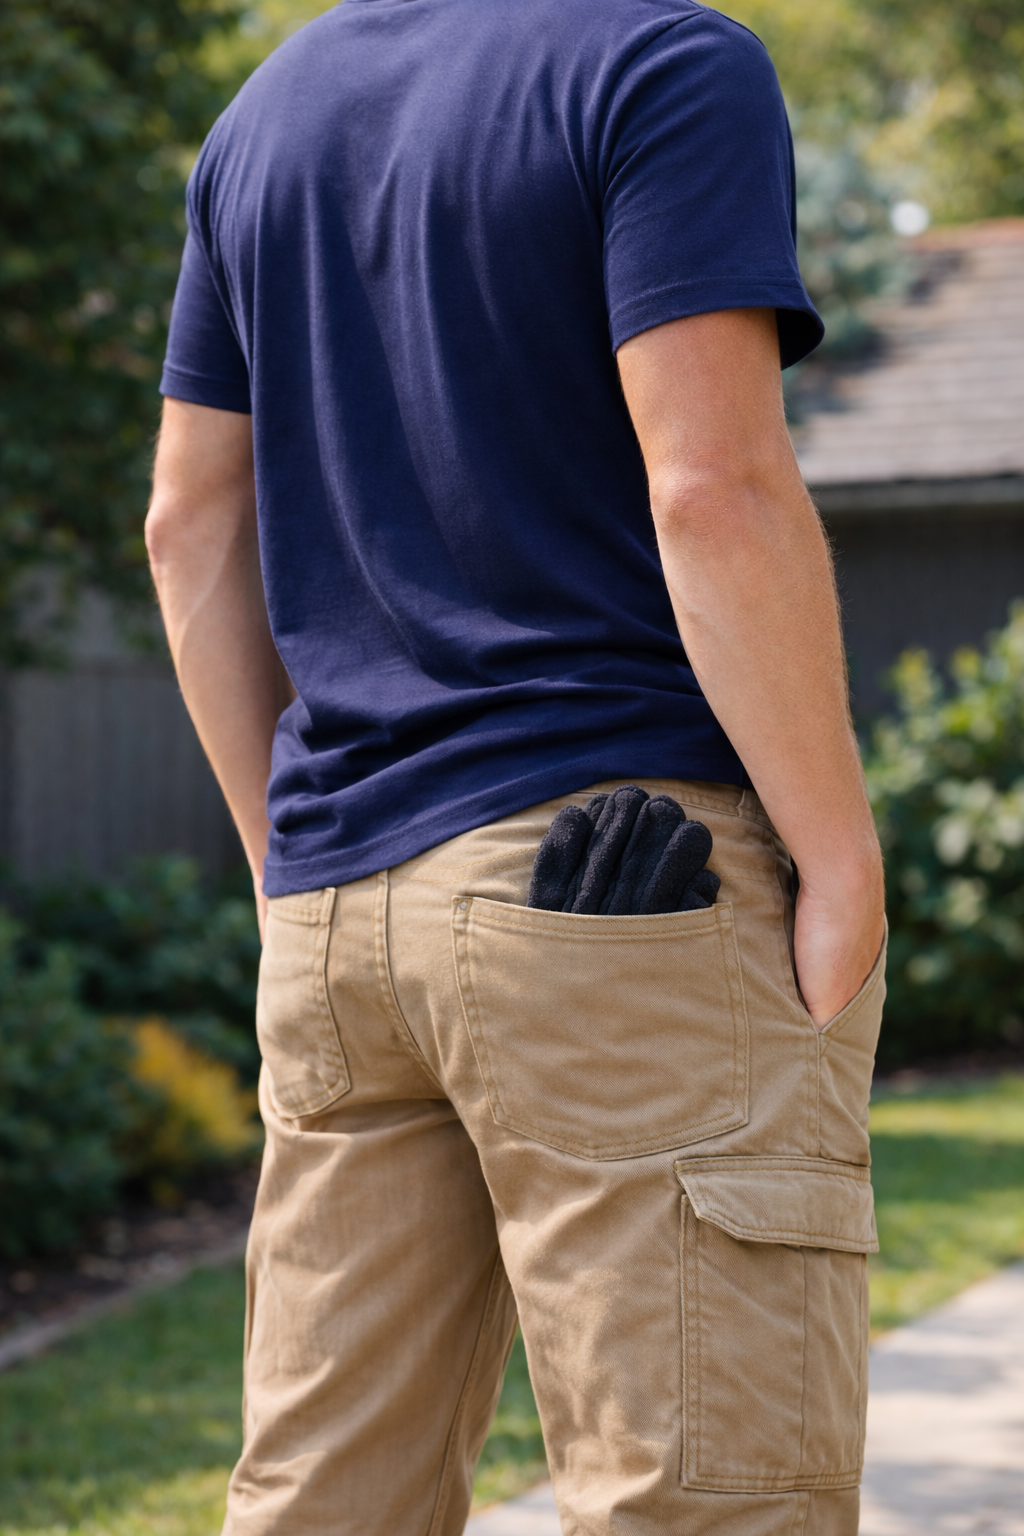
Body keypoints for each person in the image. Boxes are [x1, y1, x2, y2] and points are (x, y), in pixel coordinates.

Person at [147, 0, 886, 1531]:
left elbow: (188, 526)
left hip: (345, 912)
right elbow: (715, 487)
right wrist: (839, 848)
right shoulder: (661, 61)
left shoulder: (266, 120)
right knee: (705, 1501)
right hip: (622, 884)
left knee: (324, 1502)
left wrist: (285, 869)